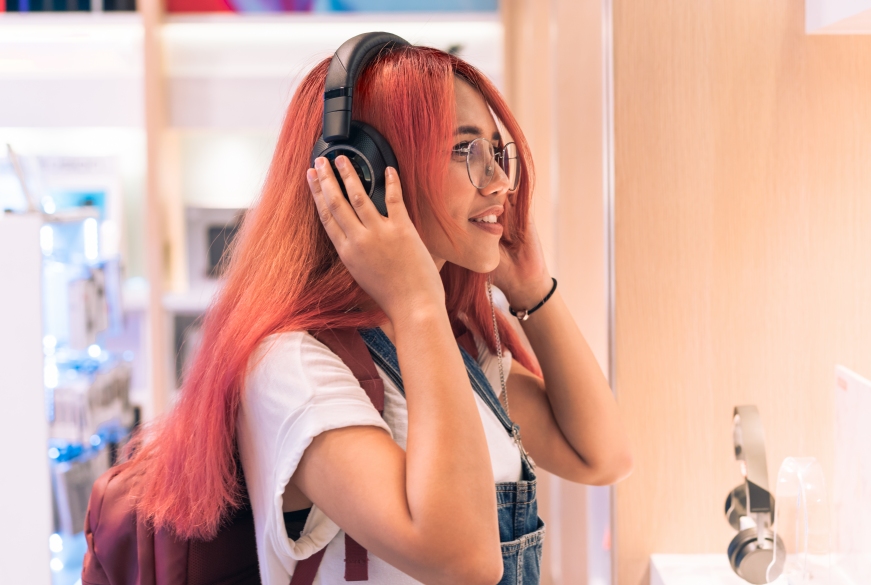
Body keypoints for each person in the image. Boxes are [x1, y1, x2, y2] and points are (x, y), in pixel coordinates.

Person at [119, 43, 633, 585]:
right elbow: (464, 561)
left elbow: (601, 456)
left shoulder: (454, 341)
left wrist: (534, 293)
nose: (500, 181)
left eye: (495, 152)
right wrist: (415, 303)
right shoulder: (292, 366)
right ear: (362, 173)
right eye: (465, 150)